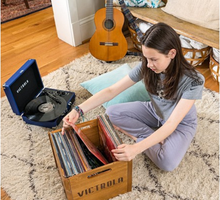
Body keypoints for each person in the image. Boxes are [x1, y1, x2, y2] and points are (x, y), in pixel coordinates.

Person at [62, 22, 204, 171]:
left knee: (167, 163)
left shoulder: (194, 80)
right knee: (111, 112)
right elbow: (112, 90)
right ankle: (148, 137)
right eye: (146, 58)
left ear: (172, 54)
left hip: (180, 123)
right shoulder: (147, 66)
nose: (148, 65)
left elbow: (171, 124)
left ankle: (147, 139)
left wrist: (136, 148)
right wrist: (78, 110)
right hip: (154, 111)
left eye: (154, 59)